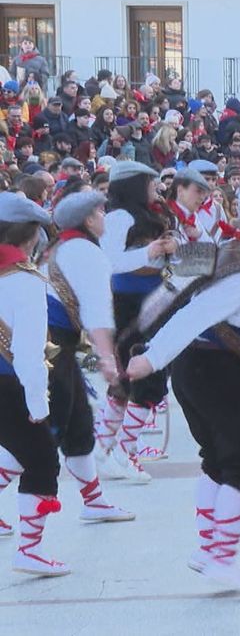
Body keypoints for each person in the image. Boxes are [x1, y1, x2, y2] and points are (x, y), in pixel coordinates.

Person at [123, 189, 240, 596]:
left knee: (217, 460)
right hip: (221, 372)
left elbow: (172, 291)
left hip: (197, 369)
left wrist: (145, 338)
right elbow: (196, 312)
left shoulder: (227, 247)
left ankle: (207, 550)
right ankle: (222, 558)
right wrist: (151, 356)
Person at [43, 190, 136, 524]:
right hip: (49, 349)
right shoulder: (86, 253)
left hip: (53, 347)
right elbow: (97, 314)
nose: (104, 216)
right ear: (87, 219)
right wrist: (107, 360)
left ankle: (93, 500)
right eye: (99, 211)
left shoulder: (62, 247)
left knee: (79, 425)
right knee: (39, 434)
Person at [0, 193, 71, 576]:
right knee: (42, 459)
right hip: (9, 383)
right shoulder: (24, 281)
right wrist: (38, 406)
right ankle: (29, 550)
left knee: (15, 450)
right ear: (30, 236)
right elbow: (28, 354)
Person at [98, 160, 178, 483]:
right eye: (149, 182)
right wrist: (151, 252)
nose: (155, 188)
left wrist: (171, 247)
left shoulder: (152, 213)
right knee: (145, 375)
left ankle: (104, 448)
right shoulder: (119, 217)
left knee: (135, 376)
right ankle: (123, 450)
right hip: (130, 303)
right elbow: (109, 261)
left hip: (155, 297)